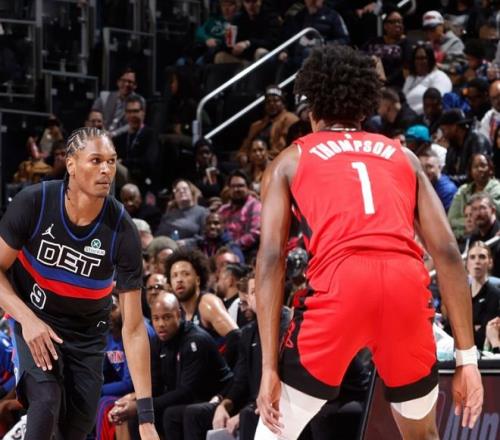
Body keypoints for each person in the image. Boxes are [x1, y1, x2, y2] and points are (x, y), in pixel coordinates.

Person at [255, 46, 483, 440]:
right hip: (404, 289)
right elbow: (447, 253)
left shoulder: (289, 160)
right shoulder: (404, 156)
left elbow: (271, 261)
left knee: (274, 434)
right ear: (363, 109)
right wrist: (467, 360)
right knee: (422, 434)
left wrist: (269, 369)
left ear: (312, 109)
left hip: (339, 290)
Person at [0, 127, 159, 440]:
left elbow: (133, 328)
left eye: (111, 161)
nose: (106, 169)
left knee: (74, 431)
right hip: (37, 322)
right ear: (71, 164)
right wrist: (27, 320)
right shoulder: (35, 202)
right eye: (96, 160)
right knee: (46, 401)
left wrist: (146, 417)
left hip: (87, 337)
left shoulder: (122, 229)